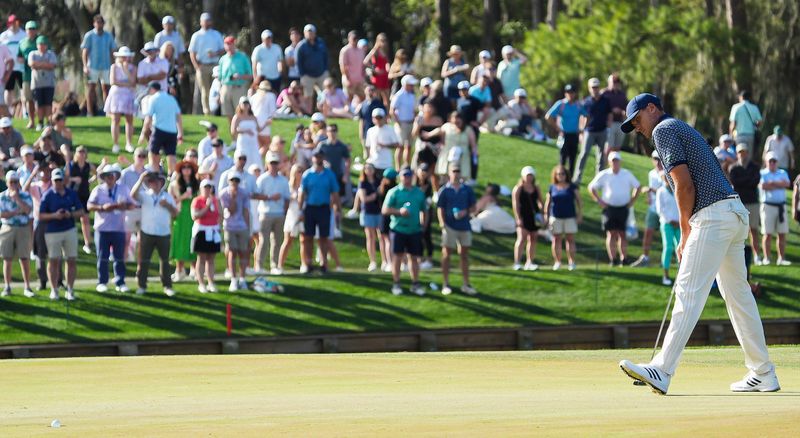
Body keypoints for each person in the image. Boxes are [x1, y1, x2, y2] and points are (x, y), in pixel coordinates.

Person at [618, 92, 779, 395]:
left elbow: (683, 184)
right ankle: (764, 372)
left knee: (688, 290)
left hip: (713, 216)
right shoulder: (682, 128)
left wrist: (685, 232)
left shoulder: (663, 130)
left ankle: (662, 369)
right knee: (739, 297)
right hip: (733, 213)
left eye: (638, 119)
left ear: (652, 109)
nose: (638, 127)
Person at [87, 163, 135, 293]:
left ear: (116, 176)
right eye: (107, 176)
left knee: (119, 257)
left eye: (112, 175)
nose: (110, 178)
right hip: (102, 228)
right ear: (104, 177)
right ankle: (102, 281)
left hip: (119, 228)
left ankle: (120, 281)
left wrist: (124, 205)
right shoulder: (98, 190)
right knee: (102, 256)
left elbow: (132, 204)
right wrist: (102, 208)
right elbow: (89, 206)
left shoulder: (123, 188)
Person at [588, 151, 640, 266]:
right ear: (609, 162)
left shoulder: (626, 174)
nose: (615, 163)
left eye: (617, 161)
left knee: (622, 233)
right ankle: (613, 259)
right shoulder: (604, 174)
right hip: (609, 208)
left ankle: (624, 259)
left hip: (623, 207)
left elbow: (637, 186)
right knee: (611, 234)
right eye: (613, 161)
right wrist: (599, 200)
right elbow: (591, 187)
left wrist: (632, 201)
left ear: (620, 162)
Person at [39, 168, 84, 301]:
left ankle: (70, 290)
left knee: (71, 260)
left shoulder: (71, 194)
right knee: (53, 261)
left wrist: (70, 214)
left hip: (69, 229)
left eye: (60, 180)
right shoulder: (47, 195)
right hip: (52, 232)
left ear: (63, 180)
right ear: (52, 181)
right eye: (56, 180)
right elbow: (41, 215)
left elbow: (81, 211)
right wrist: (55, 215)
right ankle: (54, 290)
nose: (58, 182)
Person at [130, 169, 177, 296]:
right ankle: (141, 285)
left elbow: (175, 214)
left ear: (161, 183)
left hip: (164, 233)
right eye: (152, 182)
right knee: (144, 261)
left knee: (165, 261)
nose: (154, 184)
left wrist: (168, 205)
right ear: (149, 184)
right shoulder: (145, 195)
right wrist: (141, 179)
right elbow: (132, 195)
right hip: (147, 232)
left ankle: (167, 286)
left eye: (157, 182)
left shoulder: (167, 197)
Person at [382, 167, 426, 296]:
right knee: (398, 257)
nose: (407, 178)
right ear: (400, 177)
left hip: (414, 230)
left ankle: (415, 283)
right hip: (398, 229)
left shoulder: (418, 192)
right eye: (404, 176)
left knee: (414, 257)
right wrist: (398, 212)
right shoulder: (394, 192)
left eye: (409, 176)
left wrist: (423, 224)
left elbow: (425, 210)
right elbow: (385, 210)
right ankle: (396, 283)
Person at [436, 163, 477, 296]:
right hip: (449, 226)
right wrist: (442, 223)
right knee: (446, 254)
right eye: (454, 171)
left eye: (458, 171)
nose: (456, 173)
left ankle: (466, 284)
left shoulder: (467, 189)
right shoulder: (444, 190)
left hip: (464, 225)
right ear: (449, 173)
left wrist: (465, 212)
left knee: (464, 255)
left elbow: (474, 207)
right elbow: (440, 208)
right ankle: (446, 283)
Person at [298, 150, 339, 274]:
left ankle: (323, 263)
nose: (317, 159)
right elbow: (302, 193)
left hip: (324, 208)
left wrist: (337, 208)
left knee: (323, 237)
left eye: (320, 157)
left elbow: (335, 192)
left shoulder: (329, 174)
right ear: (313, 158)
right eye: (315, 157)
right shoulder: (307, 174)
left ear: (322, 158)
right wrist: (300, 210)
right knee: (308, 237)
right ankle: (308, 263)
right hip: (310, 208)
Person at [255, 151, 289, 274]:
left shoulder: (283, 180)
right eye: (272, 163)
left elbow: (287, 198)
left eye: (275, 163)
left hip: (279, 214)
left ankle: (274, 265)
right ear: (267, 164)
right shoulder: (262, 179)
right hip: (265, 213)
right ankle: (259, 265)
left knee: (277, 241)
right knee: (263, 241)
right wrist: (269, 197)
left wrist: (285, 211)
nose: (274, 165)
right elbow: (256, 195)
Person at [728, 144, 762, 265]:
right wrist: (747, 180)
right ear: (737, 154)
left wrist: (743, 182)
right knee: (737, 231)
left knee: (753, 230)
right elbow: (735, 182)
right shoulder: (733, 168)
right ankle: (738, 256)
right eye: (740, 152)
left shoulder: (755, 167)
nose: (742, 154)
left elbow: (755, 182)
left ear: (747, 153)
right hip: (739, 203)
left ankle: (757, 255)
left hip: (752, 202)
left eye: (744, 152)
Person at [0, 170, 33, 297]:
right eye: (11, 182)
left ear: (18, 182)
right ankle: (7, 286)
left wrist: (17, 199)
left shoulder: (25, 195)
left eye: (15, 181)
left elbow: (28, 210)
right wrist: (16, 212)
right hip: (7, 228)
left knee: (24, 258)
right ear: (7, 183)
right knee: (7, 258)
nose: (13, 184)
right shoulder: (1, 196)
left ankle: (27, 287)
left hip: (23, 228)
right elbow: (2, 214)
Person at [573, 77, 612, 184]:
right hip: (589, 131)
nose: (595, 89)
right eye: (593, 87)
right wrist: (581, 131)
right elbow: (582, 117)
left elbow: (609, 114)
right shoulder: (586, 102)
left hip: (602, 130)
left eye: (596, 87)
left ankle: (599, 180)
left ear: (599, 88)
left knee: (601, 156)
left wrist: (609, 127)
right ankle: (577, 178)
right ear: (589, 88)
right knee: (584, 154)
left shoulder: (605, 100)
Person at [543, 165, 581, 271]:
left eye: (563, 174)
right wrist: (546, 215)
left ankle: (571, 262)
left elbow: (579, 201)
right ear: (555, 175)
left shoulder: (572, 187)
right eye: (558, 174)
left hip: (570, 217)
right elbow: (548, 202)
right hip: (556, 217)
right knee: (556, 239)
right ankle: (557, 262)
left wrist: (580, 214)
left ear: (566, 175)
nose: (561, 176)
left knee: (570, 239)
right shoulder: (552, 187)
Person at [139, 81, 183, 173]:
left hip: (159, 129)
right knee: (171, 154)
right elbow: (178, 116)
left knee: (153, 152)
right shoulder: (171, 99)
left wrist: (143, 134)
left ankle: (155, 172)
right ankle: (171, 175)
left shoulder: (153, 99)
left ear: (152, 89)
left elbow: (148, 118)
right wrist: (180, 133)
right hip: (172, 131)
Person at [631, 151, 664, 268]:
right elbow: (652, 190)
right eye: (655, 159)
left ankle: (666, 260)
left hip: (665, 210)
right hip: (653, 208)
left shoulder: (667, 173)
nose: (658, 162)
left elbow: (668, 191)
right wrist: (649, 196)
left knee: (666, 235)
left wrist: (651, 190)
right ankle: (645, 257)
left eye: (659, 159)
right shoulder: (651, 174)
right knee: (648, 232)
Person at [545, 85, 585, 179]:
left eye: (572, 92)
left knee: (572, 159)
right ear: (565, 93)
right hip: (564, 135)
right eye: (568, 92)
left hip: (574, 135)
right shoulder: (561, 104)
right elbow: (548, 116)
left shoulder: (578, 105)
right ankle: (559, 179)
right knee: (562, 159)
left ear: (575, 94)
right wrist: (557, 128)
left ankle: (569, 180)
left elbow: (587, 115)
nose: (570, 94)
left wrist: (582, 128)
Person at [219, 172, 250, 291]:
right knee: (232, 252)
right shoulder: (224, 194)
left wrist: (248, 227)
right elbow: (230, 210)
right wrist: (233, 198)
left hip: (242, 226)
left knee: (243, 252)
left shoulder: (244, 193)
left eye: (237, 181)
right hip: (229, 226)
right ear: (229, 181)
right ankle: (233, 279)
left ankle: (242, 279)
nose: (235, 183)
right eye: (233, 181)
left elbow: (246, 211)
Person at [188, 12, 224, 116]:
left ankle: (216, 111)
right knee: (205, 90)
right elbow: (192, 53)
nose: (207, 22)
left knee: (217, 89)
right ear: (201, 22)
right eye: (205, 21)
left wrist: (215, 53)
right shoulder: (196, 35)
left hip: (215, 65)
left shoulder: (216, 34)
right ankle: (207, 112)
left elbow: (222, 50)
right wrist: (196, 66)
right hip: (202, 65)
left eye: (209, 20)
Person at [80, 15, 117, 116]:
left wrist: (114, 65)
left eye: (101, 22)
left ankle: (107, 111)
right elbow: (85, 52)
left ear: (103, 24)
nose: (99, 24)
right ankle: (90, 111)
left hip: (106, 66)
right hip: (93, 66)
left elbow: (112, 51)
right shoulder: (89, 35)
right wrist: (85, 66)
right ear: (94, 23)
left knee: (106, 88)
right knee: (91, 88)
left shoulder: (108, 36)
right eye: (97, 22)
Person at [759, 152, 791, 266]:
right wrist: (779, 184)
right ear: (766, 162)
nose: (772, 163)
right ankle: (767, 258)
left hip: (781, 206)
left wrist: (772, 183)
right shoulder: (762, 173)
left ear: (777, 162)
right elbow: (763, 186)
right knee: (767, 234)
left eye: (774, 161)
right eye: (770, 161)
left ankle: (781, 258)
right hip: (768, 206)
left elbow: (787, 183)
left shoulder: (782, 172)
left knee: (782, 233)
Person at [103, 46, 137, 153]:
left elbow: (133, 82)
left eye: (127, 57)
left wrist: (126, 70)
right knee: (115, 119)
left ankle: (129, 143)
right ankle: (116, 144)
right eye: (123, 57)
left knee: (129, 120)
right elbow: (113, 81)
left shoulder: (133, 68)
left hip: (128, 95)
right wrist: (126, 84)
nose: (125, 59)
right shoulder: (114, 67)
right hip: (116, 95)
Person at [169, 160, 198, 282]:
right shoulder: (175, 185)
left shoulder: (197, 184)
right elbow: (170, 202)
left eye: (189, 167)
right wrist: (183, 196)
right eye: (184, 167)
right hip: (180, 215)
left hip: (193, 215)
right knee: (180, 241)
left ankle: (194, 270)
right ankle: (179, 270)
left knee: (194, 241)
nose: (186, 169)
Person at [191, 179, 222, 293]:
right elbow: (195, 216)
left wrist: (218, 228)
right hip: (201, 231)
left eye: (209, 187)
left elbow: (220, 215)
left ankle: (211, 282)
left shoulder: (216, 200)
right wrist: (206, 207)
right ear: (201, 188)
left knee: (211, 259)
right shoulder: (197, 200)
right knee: (202, 258)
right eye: (205, 187)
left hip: (213, 231)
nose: (207, 190)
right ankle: (201, 283)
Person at [512, 166, 543, 271]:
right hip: (523, 216)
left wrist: (542, 213)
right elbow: (515, 204)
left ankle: (529, 262)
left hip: (533, 216)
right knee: (521, 239)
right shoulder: (518, 189)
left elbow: (540, 201)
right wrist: (518, 218)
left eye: (531, 175)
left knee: (533, 239)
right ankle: (517, 262)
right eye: (527, 175)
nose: (529, 178)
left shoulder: (536, 188)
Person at [119, 147, 148, 259]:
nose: (141, 158)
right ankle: (123, 263)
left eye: (143, 156)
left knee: (143, 241)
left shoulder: (148, 173)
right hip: (130, 209)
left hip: (144, 209)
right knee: (126, 239)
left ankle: (140, 267)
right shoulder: (125, 173)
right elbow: (120, 191)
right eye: (139, 156)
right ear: (134, 157)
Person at [432, 112, 475, 184]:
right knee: (445, 176)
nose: (456, 121)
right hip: (447, 154)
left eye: (458, 119)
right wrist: (428, 135)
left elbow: (473, 144)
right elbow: (439, 131)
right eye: (454, 119)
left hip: (463, 155)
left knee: (461, 176)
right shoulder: (447, 126)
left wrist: (475, 152)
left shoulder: (468, 129)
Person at [218, 36, 252, 121]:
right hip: (226, 88)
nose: (228, 46)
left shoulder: (242, 57)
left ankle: (241, 132)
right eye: (226, 44)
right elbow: (220, 78)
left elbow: (250, 75)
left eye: (230, 44)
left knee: (241, 112)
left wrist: (240, 76)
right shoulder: (223, 59)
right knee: (228, 113)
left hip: (239, 88)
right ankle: (233, 132)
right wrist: (220, 91)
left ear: (234, 44)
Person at [296, 24, 329, 110]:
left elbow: (326, 57)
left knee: (324, 95)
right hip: (307, 75)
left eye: (312, 32)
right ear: (304, 33)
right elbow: (298, 62)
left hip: (321, 73)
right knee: (308, 96)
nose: (310, 34)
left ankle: (323, 113)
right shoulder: (301, 46)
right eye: (308, 32)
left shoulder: (321, 43)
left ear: (315, 33)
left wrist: (325, 70)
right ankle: (309, 113)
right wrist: (302, 74)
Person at [277, 164, 303, 272]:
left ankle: (304, 264)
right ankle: (279, 265)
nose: (299, 174)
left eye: (301, 171)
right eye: (298, 171)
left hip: (302, 215)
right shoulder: (289, 186)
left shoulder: (304, 186)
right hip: (291, 215)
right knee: (287, 241)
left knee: (304, 240)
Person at [27, 35, 57, 131]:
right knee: (39, 104)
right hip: (37, 84)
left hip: (49, 83)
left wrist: (38, 65)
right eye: (40, 44)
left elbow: (52, 65)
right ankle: (40, 122)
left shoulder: (51, 54)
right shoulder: (33, 54)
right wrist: (45, 64)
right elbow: (31, 64)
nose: (42, 46)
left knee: (48, 104)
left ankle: (48, 122)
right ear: (37, 45)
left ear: (46, 45)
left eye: (43, 44)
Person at [411, 102, 444, 188]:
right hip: (422, 148)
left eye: (431, 107)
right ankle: (419, 188)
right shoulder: (419, 119)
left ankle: (435, 191)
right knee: (421, 169)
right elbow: (414, 134)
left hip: (435, 148)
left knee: (434, 170)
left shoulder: (438, 119)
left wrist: (441, 144)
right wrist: (418, 125)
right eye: (427, 107)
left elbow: (441, 135)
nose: (429, 110)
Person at [655, 172, 680, 286]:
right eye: (665, 176)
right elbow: (660, 210)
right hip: (667, 224)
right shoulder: (660, 191)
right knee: (668, 247)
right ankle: (666, 275)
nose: (667, 178)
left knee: (681, 249)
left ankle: (681, 276)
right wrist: (670, 220)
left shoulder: (677, 189)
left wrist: (679, 221)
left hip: (679, 224)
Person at [358, 163, 382, 271]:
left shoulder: (378, 181)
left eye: (371, 168)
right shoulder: (363, 183)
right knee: (370, 237)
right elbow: (364, 199)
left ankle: (385, 261)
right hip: (368, 212)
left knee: (382, 237)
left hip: (379, 211)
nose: (369, 170)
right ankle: (373, 261)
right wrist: (373, 196)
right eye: (367, 168)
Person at [390, 75, 418, 167]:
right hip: (402, 124)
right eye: (411, 84)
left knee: (409, 147)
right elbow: (392, 110)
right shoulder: (399, 95)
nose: (412, 86)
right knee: (400, 146)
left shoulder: (412, 95)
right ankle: (398, 168)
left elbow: (414, 110)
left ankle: (406, 166)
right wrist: (398, 123)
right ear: (405, 84)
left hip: (410, 123)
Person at [1, 15, 26, 113]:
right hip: (7, 68)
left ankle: (25, 111)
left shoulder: (24, 34)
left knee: (23, 89)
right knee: (8, 90)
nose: (14, 24)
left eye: (15, 22)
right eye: (12, 22)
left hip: (21, 67)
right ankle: (9, 111)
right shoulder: (4, 36)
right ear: (9, 23)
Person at [230, 97, 263, 172]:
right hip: (243, 142)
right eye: (244, 103)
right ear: (240, 105)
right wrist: (245, 131)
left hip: (253, 142)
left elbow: (258, 129)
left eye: (247, 103)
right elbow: (233, 131)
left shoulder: (253, 117)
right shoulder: (237, 117)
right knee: (244, 156)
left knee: (255, 157)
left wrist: (266, 124)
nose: (245, 105)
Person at [364, 107, 399, 177]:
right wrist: (367, 158)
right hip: (373, 163)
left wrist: (385, 145)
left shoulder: (390, 129)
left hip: (386, 164)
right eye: (376, 118)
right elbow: (368, 146)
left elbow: (396, 144)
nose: (378, 120)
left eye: (380, 118)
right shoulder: (370, 131)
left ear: (384, 118)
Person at [136, 42, 169, 114]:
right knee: (146, 114)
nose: (151, 52)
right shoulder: (142, 63)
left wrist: (148, 77)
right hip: (146, 93)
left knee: (160, 113)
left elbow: (162, 76)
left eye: (153, 50)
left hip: (161, 92)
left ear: (156, 51)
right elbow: (141, 80)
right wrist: (155, 76)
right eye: (149, 51)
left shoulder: (163, 61)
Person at [16, 21, 38, 128]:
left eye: (33, 28)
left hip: (39, 74)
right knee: (29, 99)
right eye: (29, 29)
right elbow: (19, 56)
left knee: (41, 100)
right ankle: (32, 121)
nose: (31, 31)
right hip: (26, 75)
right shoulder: (22, 43)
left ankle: (44, 122)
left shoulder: (41, 41)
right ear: (26, 30)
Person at [153, 16, 186, 84]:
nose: (168, 26)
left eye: (170, 24)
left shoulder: (177, 36)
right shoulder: (159, 36)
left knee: (175, 85)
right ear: (163, 25)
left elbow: (180, 53)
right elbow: (155, 52)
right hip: (161, 64)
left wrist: (181, 67)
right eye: (166, 24)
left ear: (173, 25)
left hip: (174, 64)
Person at [251, 29, 283, 94]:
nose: (268, 40)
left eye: (269, 38)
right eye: (266, 38)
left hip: (275, 78)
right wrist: (255, 78)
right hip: (262, 78)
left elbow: (280, 61)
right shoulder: (258, 49)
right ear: (262, 39)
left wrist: (280, 73)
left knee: (275, 97)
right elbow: (254, 64)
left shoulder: (277, 48)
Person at [602, 74, 628, 153]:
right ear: (609, 82)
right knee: (608, 147)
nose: (616, 84)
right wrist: (611, 110)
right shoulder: (604, 93)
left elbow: (626, 108)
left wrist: (623, 112)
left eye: (617, 82)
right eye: (614, 82)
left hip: (620, 123)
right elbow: (600, 108)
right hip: (608, 123)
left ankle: (615, 165)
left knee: (617, 148)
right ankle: (605, 164)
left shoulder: (622, 94)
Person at [338, 31, 365, 102]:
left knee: (363, 98)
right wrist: (347, 79)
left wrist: (363, 76)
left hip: (359, 80)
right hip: (349, 80)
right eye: (353, 38)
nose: (355, 40)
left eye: (356, 38)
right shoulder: (345, 50)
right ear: (349, 38)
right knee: (348, 100)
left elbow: (362, 65)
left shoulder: (361, 50)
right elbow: (343, 66)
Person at [249, 80, 276, 152]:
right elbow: (273, 111)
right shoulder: (271, 96)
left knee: (259, 145)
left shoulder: (254, 97)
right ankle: (258, 158)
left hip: (253, 121)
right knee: (268, 144)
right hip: (265, 121)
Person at [364, 33, 390, 105]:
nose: (383, 42)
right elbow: (365, 61)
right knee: (377, 97)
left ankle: (387, 114)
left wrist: (388, 68)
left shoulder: (385, 51)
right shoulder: (375, 51)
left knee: (387, 98)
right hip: (377, 77)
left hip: (385, 76)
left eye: (384, 40)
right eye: (381, 40)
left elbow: (387, 62)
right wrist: (375, 69)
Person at [0, 33, 13, 117]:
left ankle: (7, 123)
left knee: (1, 104)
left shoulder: (3, 47)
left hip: (0, 80)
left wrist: (7, 74)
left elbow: (11, 61)